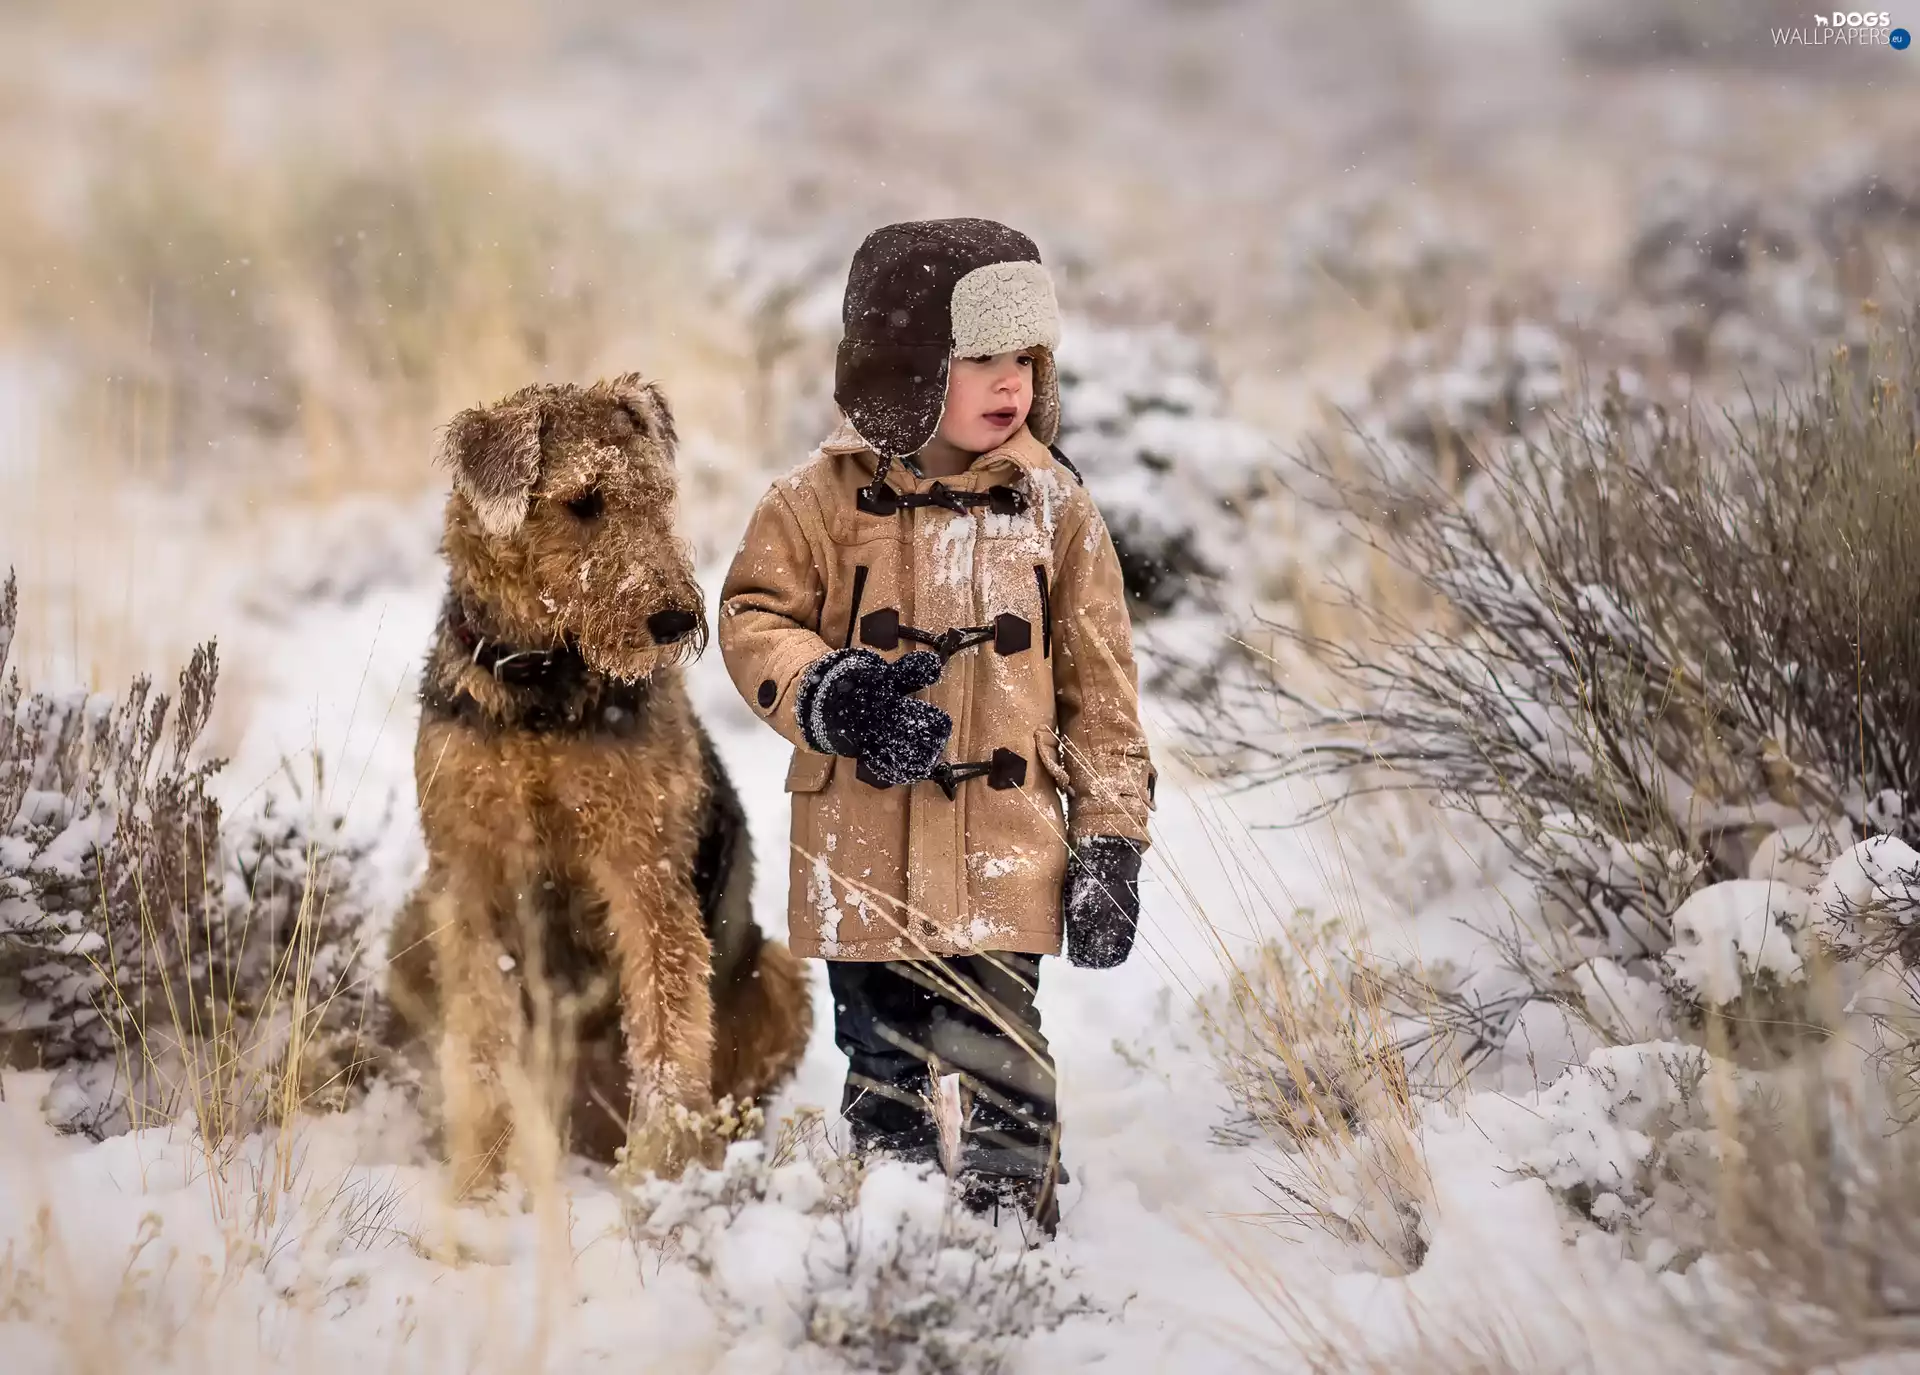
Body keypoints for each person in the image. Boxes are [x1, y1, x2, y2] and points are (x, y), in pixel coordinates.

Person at [718, 218, 1155, 1235]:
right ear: (906, 368)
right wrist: (834, 692)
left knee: (1000, 1047)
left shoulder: (1056, 509)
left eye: (1025, 359)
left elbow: (1102, 694)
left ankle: (1012, 1229)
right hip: (862, 846)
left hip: (1003, 846)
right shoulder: (816, 503)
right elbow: (751, 619)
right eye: (979, 358)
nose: (1010, 383)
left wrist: (1112, 839)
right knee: (883, 1058)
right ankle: (898, 1225)